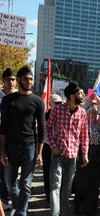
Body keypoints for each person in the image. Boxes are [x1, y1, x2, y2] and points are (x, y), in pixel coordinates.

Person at [0, 66, 45, 216]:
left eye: (31, 79)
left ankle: (21, 213)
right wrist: (2, 151)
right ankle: (20, 207)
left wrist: (39, 153)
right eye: (26, 78)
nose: (28, 81)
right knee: (10, 183)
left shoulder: (38, 101)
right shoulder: (7, 100)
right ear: (19, 80)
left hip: (29, 147)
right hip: (11, 147)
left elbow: (42, 129)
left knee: (26, 184)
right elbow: (3, 127)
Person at [46, 81, 89, 216]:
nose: (83, 96)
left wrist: (85, 154)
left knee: (67, 188)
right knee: (55, 186)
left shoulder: (82, 113)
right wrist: (53, 146)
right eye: (80, 93)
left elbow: (84, 136)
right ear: (72, 96)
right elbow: (47, 128)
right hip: (58, 154)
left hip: (73, 156)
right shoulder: (58, 110)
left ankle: (63, 213)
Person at [74, 93, 100, 215]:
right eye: (90, 113)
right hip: (83, 158)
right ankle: (78, 205)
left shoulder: (99, 125)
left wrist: (99, 102)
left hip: (96, 159)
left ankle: (91, 209)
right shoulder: (82, 124)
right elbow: (81, 109)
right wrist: (89, 100)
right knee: (82, 184)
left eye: (94, 113)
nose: (92, 115)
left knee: (94, 185)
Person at [0, 68, 17, 211]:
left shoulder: (20, 96)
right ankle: (3, 199)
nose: (11, 82)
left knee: (11, 172)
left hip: (15, 141)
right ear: (3, 81)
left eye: (13, 79)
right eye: (8, 79)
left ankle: (9, 198)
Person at [42, 94, 63, 204]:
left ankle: (57, 196)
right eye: (57, 103)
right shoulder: (45, 116)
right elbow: (43, 132)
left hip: (59, 147)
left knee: (58, 172)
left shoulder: (63, 115)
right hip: (47, 147)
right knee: (47, 171)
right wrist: (51, 145)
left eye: (60, 103)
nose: (59, 105)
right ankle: (48, 196)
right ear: (50, 104)